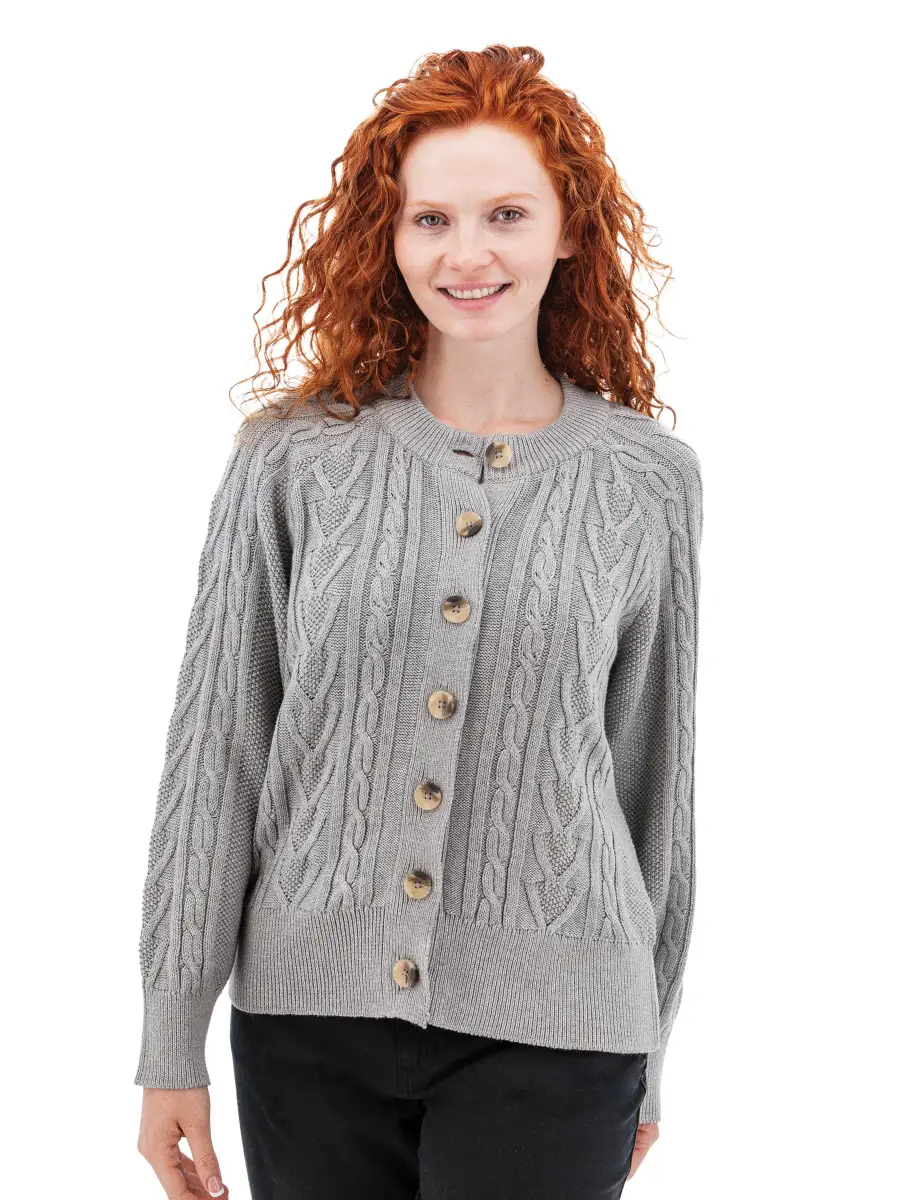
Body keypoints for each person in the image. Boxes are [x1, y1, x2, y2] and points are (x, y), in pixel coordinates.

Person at [135, 43, 703, 1200]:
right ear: (386, 240)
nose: (467, 254)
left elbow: (653, 776)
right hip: (307, 1024)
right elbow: (217, 753)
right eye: (430, 220)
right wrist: (169, 1039)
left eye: (507, 215)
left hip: (562, 1027)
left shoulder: (648, 479)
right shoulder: (292, 459)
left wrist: (651, 1045)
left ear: (570, 231)